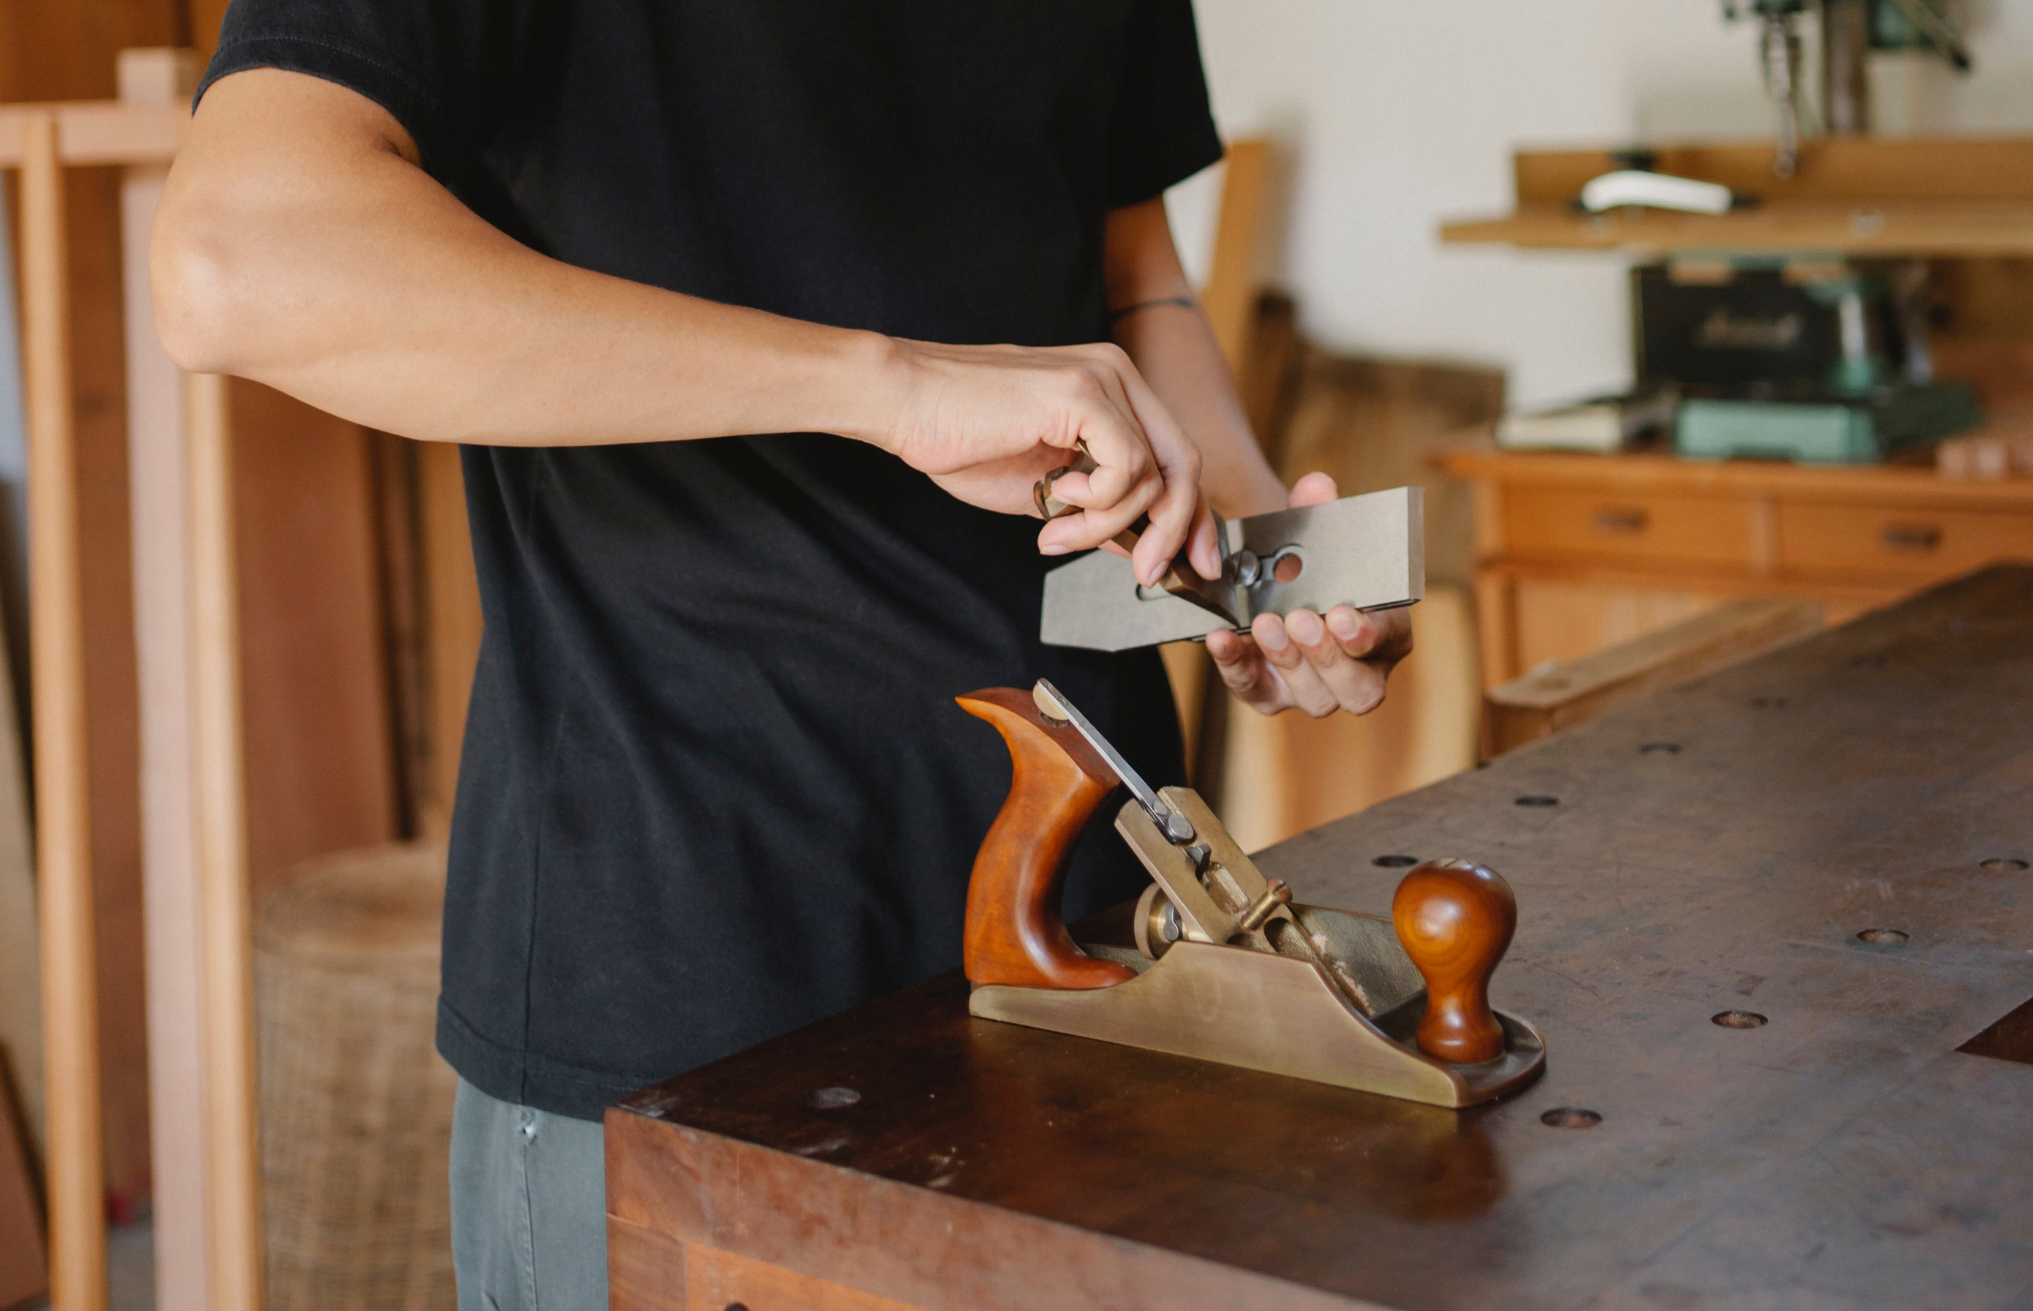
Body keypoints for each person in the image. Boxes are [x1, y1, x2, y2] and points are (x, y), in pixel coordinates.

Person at [153, 4, 1413, 1307]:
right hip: (695, 966)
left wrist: (1253, 553)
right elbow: (238, 262)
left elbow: (1129, 265)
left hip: (1095, 939)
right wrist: (889, 386)